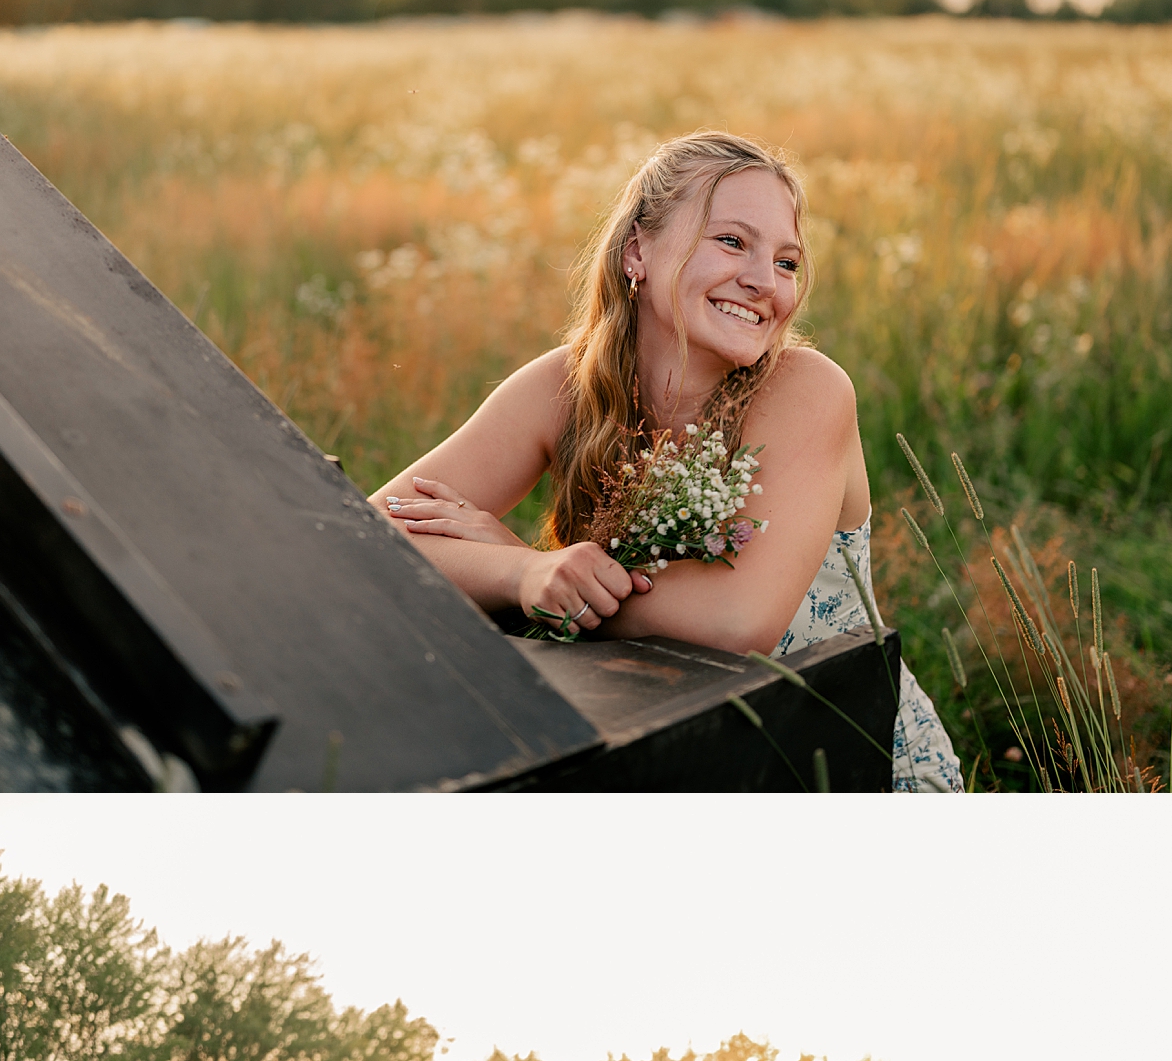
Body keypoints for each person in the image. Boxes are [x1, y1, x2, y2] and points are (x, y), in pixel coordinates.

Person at [367, 130, 962, 792]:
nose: (766, 281)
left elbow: (738, 620)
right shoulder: (561, 391)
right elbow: (367, 537)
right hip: (658, 747)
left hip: (831, 753)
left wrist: (546, 585)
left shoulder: (805, 390)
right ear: (637, 251)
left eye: (788, 262)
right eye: (732, 241)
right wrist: (518, 572)